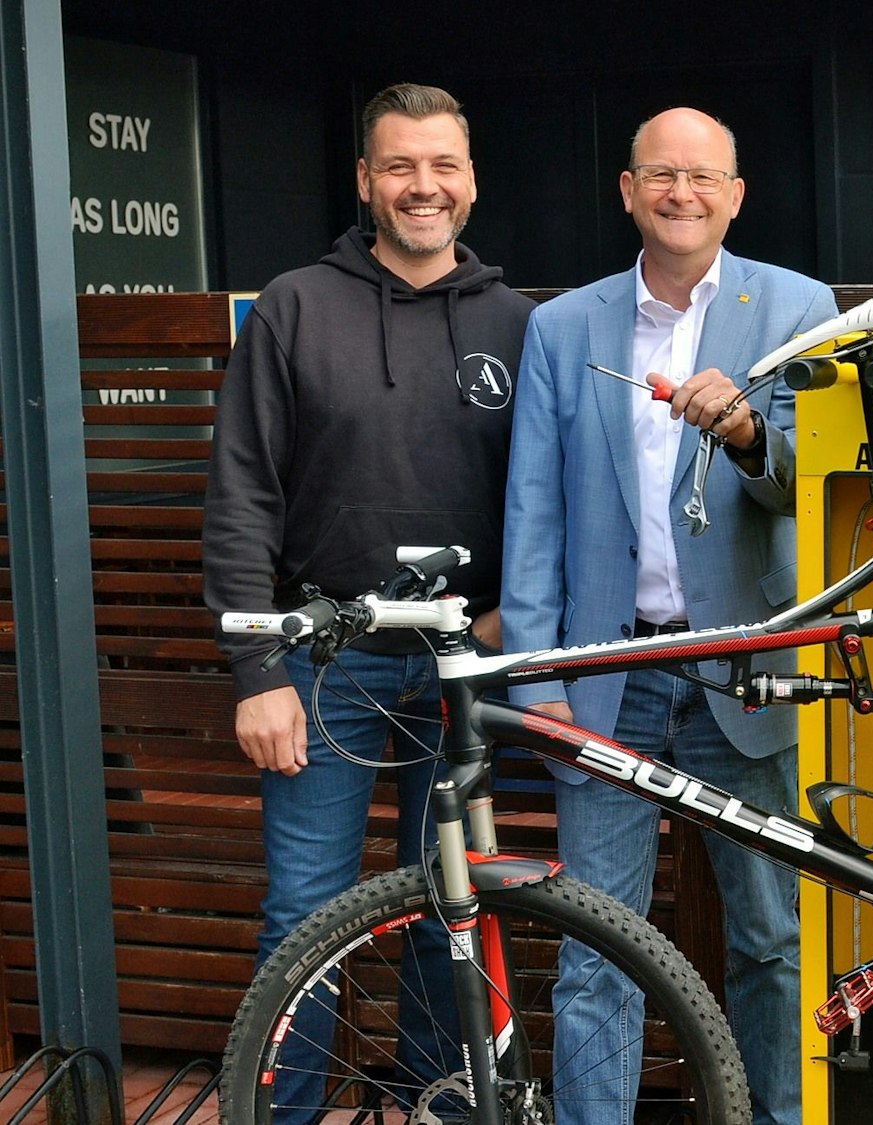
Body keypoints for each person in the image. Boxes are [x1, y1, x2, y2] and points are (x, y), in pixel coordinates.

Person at [201, 83, 532, 1117]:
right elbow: (241, 491)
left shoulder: (521, 323)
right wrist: (256, 672)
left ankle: (440, 1105)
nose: (422, 186)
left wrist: (511, 618)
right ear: (364, 181)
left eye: (441, 165)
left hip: (461, 663)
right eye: (399, 166)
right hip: (322, 661)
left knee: (452, 909)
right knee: (306, 914)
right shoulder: (295, 306)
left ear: (471, 180)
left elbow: (553, 500)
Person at [501, 106, 835, 1125]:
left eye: (702, 178)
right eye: (660, 175)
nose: (681, 193)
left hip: (745, 666)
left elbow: (814, 481)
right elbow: (533, 514)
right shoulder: (563, 327)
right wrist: (540, 681)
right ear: (627, 190)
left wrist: (747, 432)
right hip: (609, 675)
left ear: (735, 197)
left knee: (771, 940)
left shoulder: (797, 307)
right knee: (597, 943)